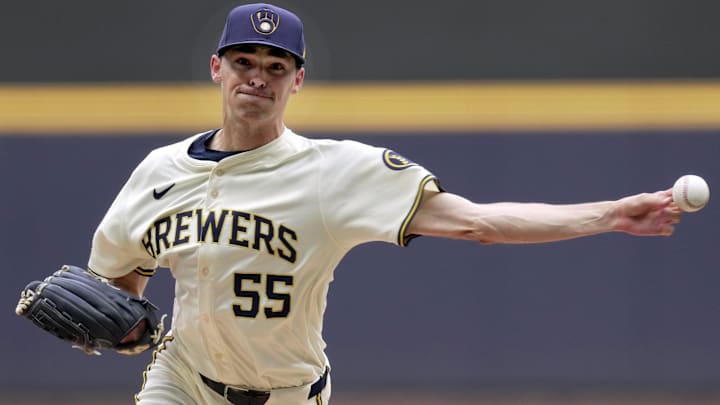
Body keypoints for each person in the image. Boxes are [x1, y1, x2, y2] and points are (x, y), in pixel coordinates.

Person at [87, 3, 682, 405]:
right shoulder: (160, 171)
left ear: (298, 81)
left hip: (287, 393)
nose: (257, 79)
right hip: (181, 381)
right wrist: (120, 324)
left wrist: (608, 215)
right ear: (217, 68)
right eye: (243, 62)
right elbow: (119, 278)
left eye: (276, 67)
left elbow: (478, 223)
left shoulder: (335, 171)